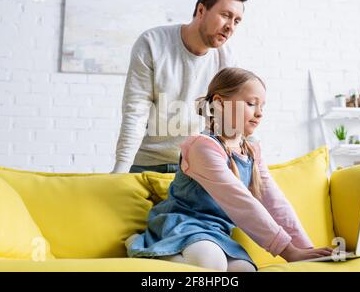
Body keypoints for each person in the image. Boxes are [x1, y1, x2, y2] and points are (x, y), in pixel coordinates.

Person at [125, 67, 333, 271]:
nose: (259, 113)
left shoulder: (251, 151)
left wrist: (305, 252)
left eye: (262, 106)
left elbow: (273, 201)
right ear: (219, 104)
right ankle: (141, 248)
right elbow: (240, 201)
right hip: (182, 226)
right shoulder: (202, 146)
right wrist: (288, 251)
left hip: (217, 232)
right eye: (251, 104)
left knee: (245, 270)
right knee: (211, 264)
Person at [112, 0, 247, 174]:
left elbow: (231, 116)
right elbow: (136, 110)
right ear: (201, 10)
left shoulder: (227, 57)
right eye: (225, 15)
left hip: (197, 167)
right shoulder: (152, 43)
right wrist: (121, 169)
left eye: (237, 21)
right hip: (149, 164)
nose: (230, 27)